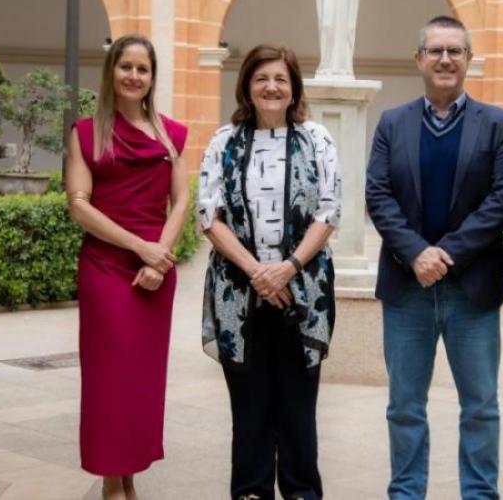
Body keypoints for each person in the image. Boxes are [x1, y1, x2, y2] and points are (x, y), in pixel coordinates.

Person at [365, 15, 503, 500]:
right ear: (419, 59)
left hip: (471, 291)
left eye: (455, 51)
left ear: (469, 60)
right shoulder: (393, 122)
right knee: (405, 406)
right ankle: (406, 493)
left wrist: (445, 254)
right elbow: (378, 194)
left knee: (480, 405)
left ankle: (479, 494)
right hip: (406, 288)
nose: (446, 59)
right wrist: (415, 254)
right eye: (435, 50)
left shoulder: (498, 124)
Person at [196, 44, 340, 500]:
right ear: (247, 86)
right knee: (250, 405)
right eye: (261, 78)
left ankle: (301, 491)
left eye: (280, 78)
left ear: (293, 87)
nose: (271, 87)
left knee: (298, 406)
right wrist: (259, 272)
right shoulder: (223, 141)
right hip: (239, 291)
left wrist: (288, 269)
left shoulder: (317, 138)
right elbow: (208, 216)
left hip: (304, 290)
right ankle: (252, 491)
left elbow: (330, 210)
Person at [65, 34, 190, 500]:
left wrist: (159, 255)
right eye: (126, 67)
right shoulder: (84, 132)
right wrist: (142, 247)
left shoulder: (171, 135)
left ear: (153, 77)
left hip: (154, 272)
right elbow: (79, 205)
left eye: (143, 69)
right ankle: (113, 483)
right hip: (105, 267)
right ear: (111, 72)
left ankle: (128, 474)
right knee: (107, 380)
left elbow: (180, 202)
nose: (134, 76)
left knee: (139, 381)